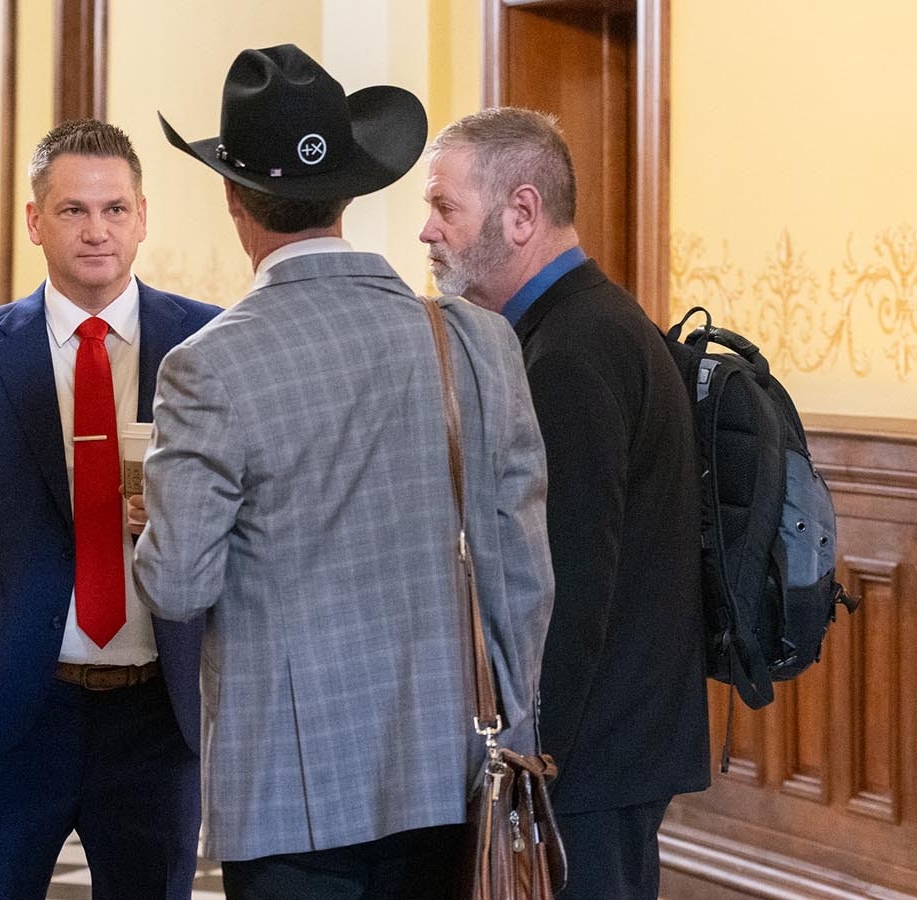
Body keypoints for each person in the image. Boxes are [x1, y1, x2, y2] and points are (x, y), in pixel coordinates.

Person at [133, 45, 553, 899]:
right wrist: (511, 731)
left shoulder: (208, 366)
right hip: (456, 769)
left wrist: (150, 526)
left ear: (232, 198)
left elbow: (178, 585)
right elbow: (521, 577)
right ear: (348, 194)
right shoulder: (478, 340)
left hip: (292, 797)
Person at [0, 119, 219, 900]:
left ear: (144, 215)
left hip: (160, 713)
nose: (97, 230)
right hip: (10, 709)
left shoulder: (212, 344)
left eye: (114, 209)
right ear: (36, 221)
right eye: (73, 210)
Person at [419, 106, 709, 899]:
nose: (427, 231)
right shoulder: (578, 326)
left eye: (444, 206)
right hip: (608, 752)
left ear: (521, 213)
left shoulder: (571, 353)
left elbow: (567, 588)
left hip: (586, 764)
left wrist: (529, 760)